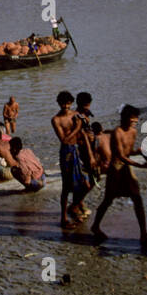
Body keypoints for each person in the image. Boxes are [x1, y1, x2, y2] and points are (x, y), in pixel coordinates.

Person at [91, 106, 147, 249]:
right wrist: (140, 166)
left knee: (137, 198)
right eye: (132, 118)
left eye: (136, 118)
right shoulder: (117, 132)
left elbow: (128, 152)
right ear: (124, 118)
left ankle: (144, 233)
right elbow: (120, 155)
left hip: (126, 168)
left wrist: (138, 152)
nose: (135, 121)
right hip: (115, 169)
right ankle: (95, 226)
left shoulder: (133, 131)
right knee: (108, 199)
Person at [51, 92, 93, 227]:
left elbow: (84, 136)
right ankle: (63, 219)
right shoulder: (56, 119)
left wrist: (91, 155)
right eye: (63, 103)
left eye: (68, 103)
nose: (66, 106)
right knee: (66, 187)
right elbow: (64, 139)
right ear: (58, 103)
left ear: (71, 103)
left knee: (85, 184)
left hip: (77, 151)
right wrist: (77, 128)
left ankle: (75, 206)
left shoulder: (75, 115)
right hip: (67, 153)